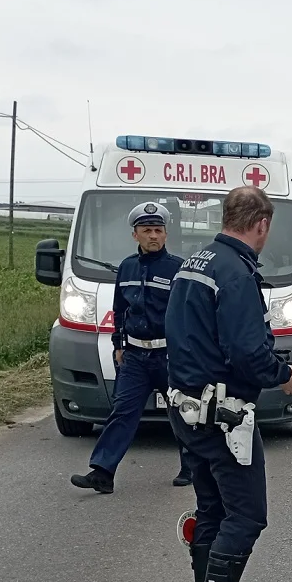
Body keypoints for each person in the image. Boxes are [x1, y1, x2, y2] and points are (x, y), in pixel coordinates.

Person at [165, 186, 292, 582]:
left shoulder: (196, 263)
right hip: (224, 416)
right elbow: (247, 353)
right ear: (261, 224)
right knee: (246, 515)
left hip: (188, 409)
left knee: (213, 511)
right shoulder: (236, 274)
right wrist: (283, 374)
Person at [70, 202, 190, 494]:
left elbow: (187, 315)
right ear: (135, 234)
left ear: (165, 235)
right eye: (147, 230)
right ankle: (102, 472)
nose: (153, 236)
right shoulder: (127, 267)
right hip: (135, 356)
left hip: (168, 356)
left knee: (183, 412)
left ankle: (193, 467)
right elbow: (120, 311)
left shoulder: (177, 269)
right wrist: (118, 346)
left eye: (158, 230)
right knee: (123, 412)